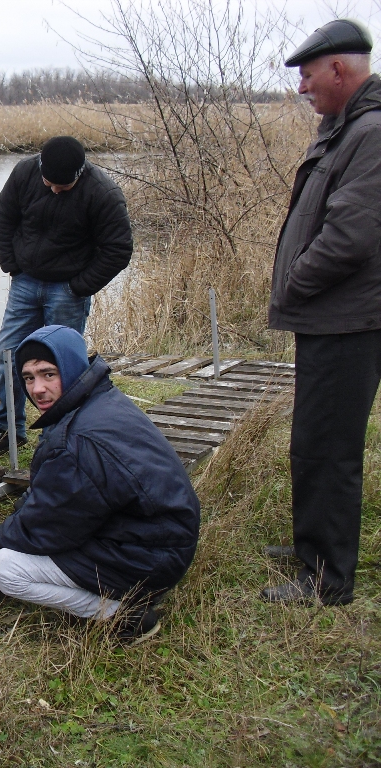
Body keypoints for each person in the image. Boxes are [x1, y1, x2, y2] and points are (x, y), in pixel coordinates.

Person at [0, 325, 200, 643]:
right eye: (28, 378)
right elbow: (63, 496)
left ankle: (124, 615)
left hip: (150, 559)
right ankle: (129, 590)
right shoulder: (102, 400)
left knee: (7, 568)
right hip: (162, 540)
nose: (37, 388)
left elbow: (47, 530)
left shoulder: (74, 440)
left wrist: (0, 538)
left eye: (48, 374)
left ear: (70, 367)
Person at [262, 19, 381, 605]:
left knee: (328, 448)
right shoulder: (345, 128)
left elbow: (350, 238)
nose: (303, 89)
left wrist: (294, 285)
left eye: (307, 77)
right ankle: (313, 545)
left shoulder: (372, 134)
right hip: (330, 317)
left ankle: (326, 579)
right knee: (313, 438)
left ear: (339, 69)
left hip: (347, 319)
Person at [0, 136, 133, 460]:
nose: (56, 190)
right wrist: (11, 264)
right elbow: (4, 215)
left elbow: (118, 249)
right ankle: (6, 431)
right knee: (6, 356)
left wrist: (79, 286)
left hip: (67, 291)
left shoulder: (103, 193)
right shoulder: (25, 173)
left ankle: (55, 438)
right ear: (41, 169)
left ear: (81, 173)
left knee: (61, 368)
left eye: (65, 186)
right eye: (51, 183)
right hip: (25, 283)